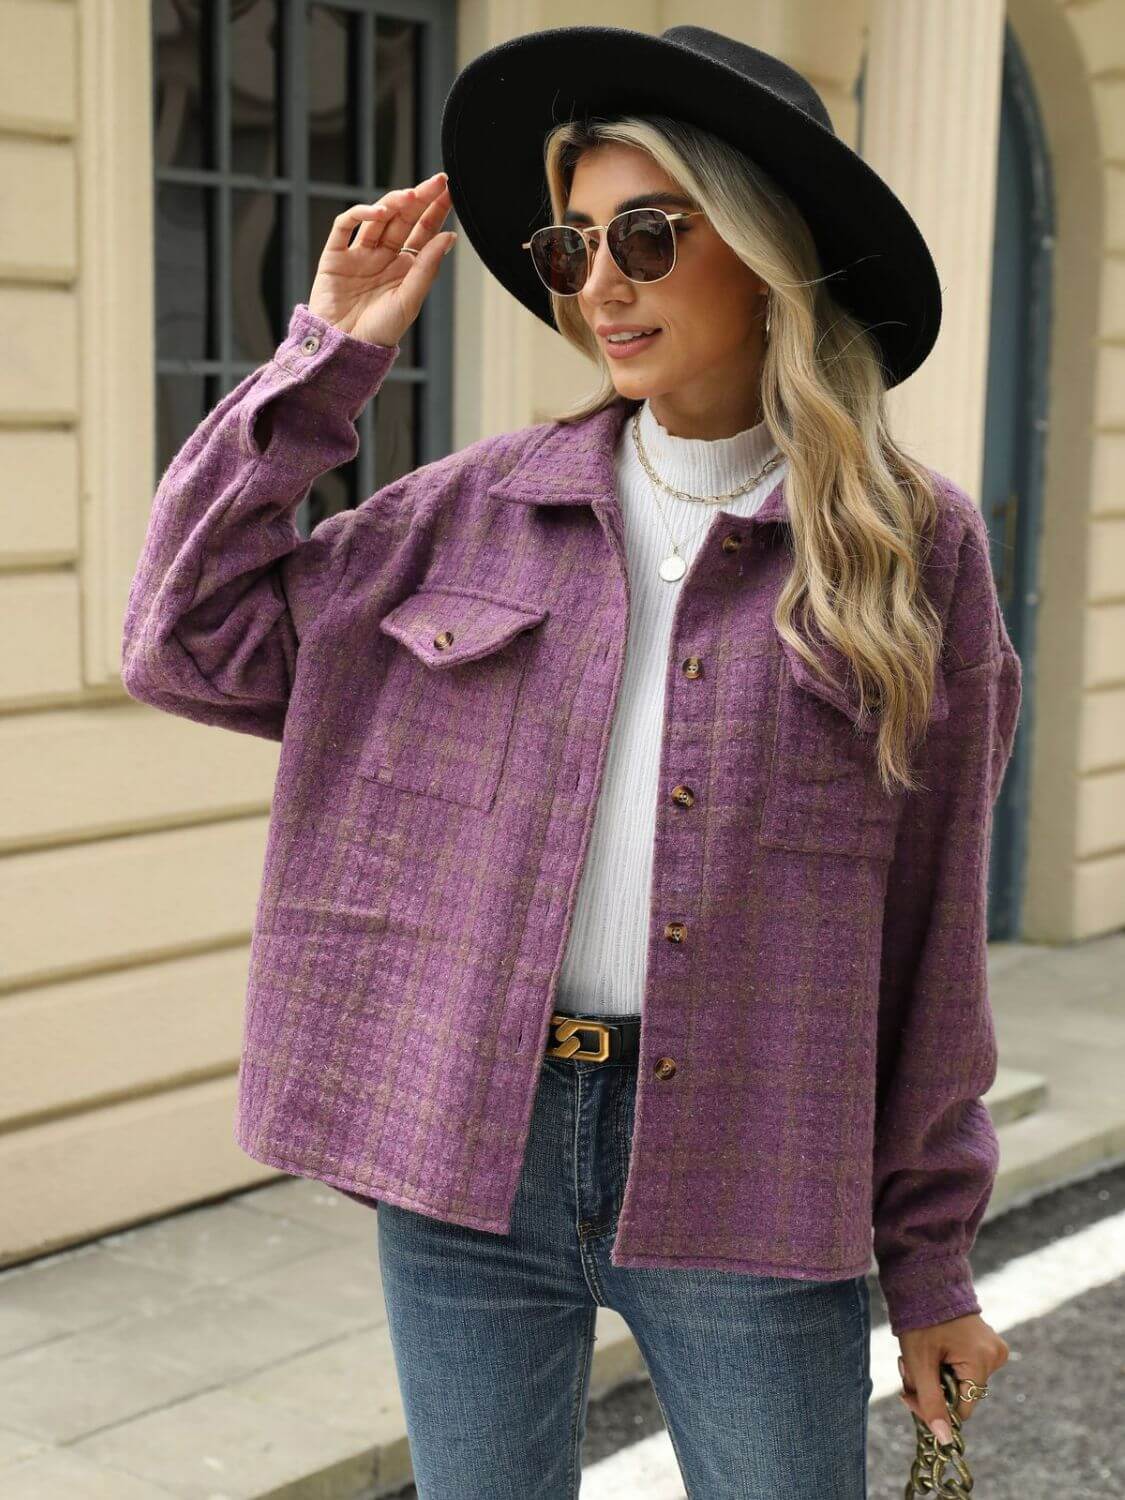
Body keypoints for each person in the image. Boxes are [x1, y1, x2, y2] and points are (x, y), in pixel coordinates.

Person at [122, 24, 1018, 1500]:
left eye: (648, 237)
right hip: (471, 1149)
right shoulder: (466, 511)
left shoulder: (912, 550)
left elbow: (932, 944)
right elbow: (185, 639)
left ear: (764, 249)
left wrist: (928, 1261)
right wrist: (326, 360)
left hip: (751, 1155)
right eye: (568, 244)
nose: (599, 282)